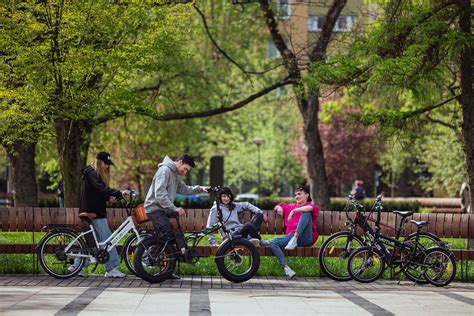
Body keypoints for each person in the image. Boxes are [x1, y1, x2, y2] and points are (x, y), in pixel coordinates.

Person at [144, 154, 208, 279]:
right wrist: (174, 208)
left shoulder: (175, 174)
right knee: (167, 232)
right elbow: (160, 193)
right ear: (180, 162)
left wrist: (201, 188)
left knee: (173, 236)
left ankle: (168, 270)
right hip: (154, 208)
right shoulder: (165, 170)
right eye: (185, 169)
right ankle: (147, 259)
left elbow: (185, 189)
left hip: (162, 208)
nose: (185, 172)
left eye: (187, 171)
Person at [69, 151, 129, 278]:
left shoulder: (94, 174)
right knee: (107, 240)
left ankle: (77, 266)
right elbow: (100, 188)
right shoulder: (91, 173)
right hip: (94, 211)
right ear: (99, 162)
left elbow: (98, 193)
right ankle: (112, 268)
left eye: (108, 164)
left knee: (92, 242)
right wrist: (119, 193)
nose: (107, 167)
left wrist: (109, 198)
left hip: (95, 210)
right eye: (105, 164)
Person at [265, 185, 320, 279]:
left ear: (307, 195)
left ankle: (295, 238)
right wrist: (279, 208)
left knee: (306, 214)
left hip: (305, 238)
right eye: (296, 195)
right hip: (290, 239)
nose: (297, 196)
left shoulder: (311, 206)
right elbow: (279, 205)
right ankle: (287, 269)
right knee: (273, 243)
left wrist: (294, 211)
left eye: (299, 194)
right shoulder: (290, 206)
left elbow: (310, 209)